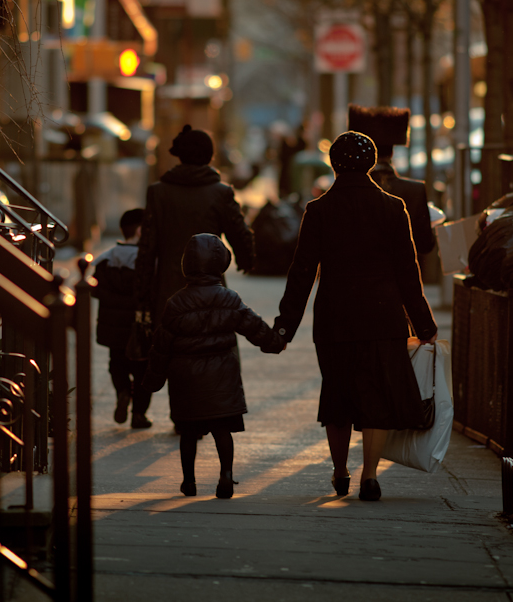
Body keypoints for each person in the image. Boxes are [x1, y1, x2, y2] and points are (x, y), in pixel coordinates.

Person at [272, 131, 438, 502]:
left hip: (334, 318)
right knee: (375, 395)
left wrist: (284, 328)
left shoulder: (318, 210)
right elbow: (408, 272)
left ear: (333, 163)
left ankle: (339, 470)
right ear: (371, 162)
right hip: (382, 317)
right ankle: (370, 474)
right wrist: (424, 324)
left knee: (338, 394)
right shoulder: (393, 207)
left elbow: (302, 272)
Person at [145, 234, 285, 498]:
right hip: (222, 377)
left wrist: (153, 380)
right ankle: (226, 475)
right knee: (222, 431)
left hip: (187, 380)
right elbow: (253, 326)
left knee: (188, 432)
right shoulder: (229, 298)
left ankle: (189, 481)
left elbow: (161, 345)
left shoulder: (176, 303)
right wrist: (275, 342)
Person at [136, 124, 256, 328]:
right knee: (212, 343)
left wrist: (142, 293)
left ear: (180, 156)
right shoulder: (221, 193)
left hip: (168, 288)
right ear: (209, 156)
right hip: (210, 288)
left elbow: (147, 248)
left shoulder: (158, 193)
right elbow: (238, 232)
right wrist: (246, 259)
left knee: (169, 349)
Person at [347, 104, 436, 259]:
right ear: (392, 152)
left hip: (353, 282)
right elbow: (425, 245)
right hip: (396, 282)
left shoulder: (345, 191)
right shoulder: (415, 191)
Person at [92, 208, 153, 429]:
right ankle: (139, 414)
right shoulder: (146, 261)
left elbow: (95, 289)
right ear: (139, 230)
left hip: (112, 327)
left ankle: (122, 391)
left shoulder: (106, 258)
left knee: (116, 363)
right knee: (143, 370)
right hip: (139, 326)